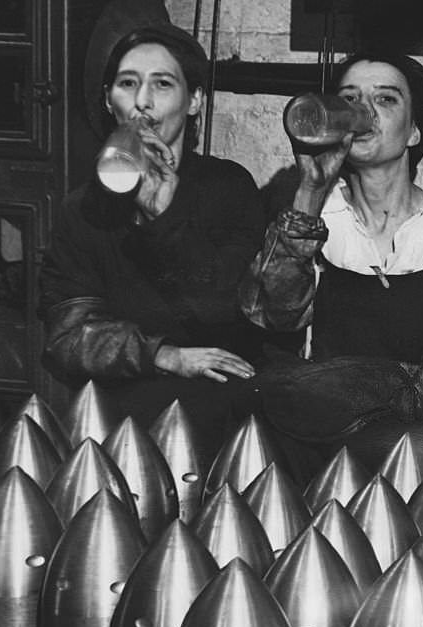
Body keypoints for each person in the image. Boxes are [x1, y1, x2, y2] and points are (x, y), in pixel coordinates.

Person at [237, 52, 423, 459]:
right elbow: (272, 317)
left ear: (414, 131)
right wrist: (310, 188)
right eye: (350, 99)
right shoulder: (312, 217)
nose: (363, 111)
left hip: (409, 446)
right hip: (315, 437)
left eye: (386, 99)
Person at [40, 15, 266, 458]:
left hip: (221, 401)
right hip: (125, 400)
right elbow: (67, 336)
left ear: (195, 101)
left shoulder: (229, 187)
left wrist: (163, 215)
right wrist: (163, 355)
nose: (142, 102)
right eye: (127, 84)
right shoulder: (83, 208)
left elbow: (224, 308)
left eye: (162, 85)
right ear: (109, 101)